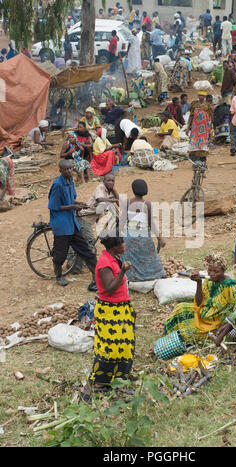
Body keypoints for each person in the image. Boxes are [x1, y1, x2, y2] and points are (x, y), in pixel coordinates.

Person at [79, 234, 135, 402]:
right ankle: (97, 384)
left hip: (120, 309)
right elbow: (109, 289)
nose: (125, 244)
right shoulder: (104, 263)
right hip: (110, 312)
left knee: (125, 345)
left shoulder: (113, 257)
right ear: (114, 246)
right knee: (109, 349)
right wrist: (123, 271)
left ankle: (117, 380)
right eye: (122, 242)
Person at [163, 253, 236, 344]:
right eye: (210, 270)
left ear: (223, 271)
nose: (212, 274)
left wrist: (228, 325)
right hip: (203, 313)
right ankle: (168, 334)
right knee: (181, 307)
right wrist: (198, 283)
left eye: (216, 271)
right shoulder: (209, 281)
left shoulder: (229, 286)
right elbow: (198, 303)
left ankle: (177, 338)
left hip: (216, 322)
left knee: (190, 331)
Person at [48, 159, 97, 290]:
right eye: (66, 169)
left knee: (86, 250)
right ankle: (59, 276)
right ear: (60, 170)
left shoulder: (70, 182)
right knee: (60, 254)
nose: (69, 171)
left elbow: (70, 200)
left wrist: (79, 203)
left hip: (72, 222)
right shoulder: (57, 184)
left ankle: (96, 277)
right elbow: (54, 206)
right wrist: (72, 206)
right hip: (62, 224)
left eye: (70, 168)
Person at [120, 179, 166, 282]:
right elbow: (151, 223)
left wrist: (119, 237)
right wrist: (160, 238)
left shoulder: (127, 203)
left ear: (133, 190)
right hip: (144, 237)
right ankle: (152, 276)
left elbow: (122, 222)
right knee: (150, 258)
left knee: (129, 259)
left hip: (129, 237)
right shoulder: (147, 204)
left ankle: (132, 277)